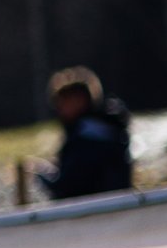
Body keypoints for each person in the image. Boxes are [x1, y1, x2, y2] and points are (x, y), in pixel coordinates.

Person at [41, 66, 133, 201]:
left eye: (64, 101)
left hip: (97, 210)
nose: (59, 108)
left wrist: (45, 178)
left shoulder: (89, 135)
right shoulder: (103, 129)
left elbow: (71, 185)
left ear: (80, 99)